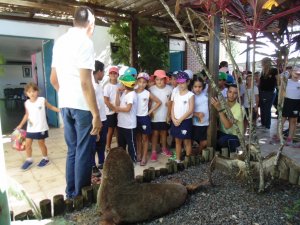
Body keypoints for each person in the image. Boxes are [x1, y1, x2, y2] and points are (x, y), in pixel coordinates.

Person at [50, 6, 102, 199]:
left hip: (65, 104)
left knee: (73, 150)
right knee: (84, 151)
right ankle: (80, 194)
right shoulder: (85, 42)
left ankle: (71, 193)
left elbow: (53, 80)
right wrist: (96, 114)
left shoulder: (60, 42)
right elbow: (85, 82)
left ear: (74, 21)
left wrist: (65, 96)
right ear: (91, 24)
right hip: (82, 107)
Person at [17, 82, 60, 171]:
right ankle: (29, 160)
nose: (32, 93)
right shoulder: (27, 103)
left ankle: (46, 159)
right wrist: (20, 124)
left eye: (33, 91)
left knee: (41, 143)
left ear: (37, 92)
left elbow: (51, 107)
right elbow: (27, 114)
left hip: (41, 127)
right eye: (29, 92)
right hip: (30, 128)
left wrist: (61, 110)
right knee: (28, 144)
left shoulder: (42, 100)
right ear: (26, 94)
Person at [135, 72, 161, 166]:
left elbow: (158, 102)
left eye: (144, 82)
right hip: (135, 118)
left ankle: (144, 156)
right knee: (138, 138)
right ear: (137, 81)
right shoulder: (133, 91)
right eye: (140, 81)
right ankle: (138, 153)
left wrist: (149, 112)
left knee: (145, 138)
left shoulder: (147, 93)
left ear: (147, 83)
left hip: (144, 118)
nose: (142, 84)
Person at [211, 84, 245, 152]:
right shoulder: (222, 103)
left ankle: (230, 154)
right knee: (208, 137)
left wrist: (219, 109)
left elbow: (227, 126)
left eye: (235, 93)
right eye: (230, 92)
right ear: (226, 92)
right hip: (222, 133)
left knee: (222, 141)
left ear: (238, 95)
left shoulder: (240, 108)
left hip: (235, 136)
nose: (232, 95)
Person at [149, 70, 173, 161]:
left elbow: (171, 102)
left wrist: (169, 114)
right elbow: (149, 102)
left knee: (164, 133)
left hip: (165, 115)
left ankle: (164, 148)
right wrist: (149, 112)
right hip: (155, 116)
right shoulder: (151, 89)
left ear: (165, 79)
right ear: (154, 80)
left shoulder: (170, 89)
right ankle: (154, 151)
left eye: (161, 79)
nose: (159, 81)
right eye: (157, 79)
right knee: (155, 134)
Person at [171, 71, 194, 163]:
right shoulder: (176, 94)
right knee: (177, 141)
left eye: (183, 82)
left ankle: (188, 160)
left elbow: (191, 110)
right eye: (179, 82)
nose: (181, 85)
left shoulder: (190, 95)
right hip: (175, 121)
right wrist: (173, 118)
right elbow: (172, 107)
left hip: (185, 121)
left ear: (188, 82)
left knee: (187, 142)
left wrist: (180, 120)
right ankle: (178, 159)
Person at [115, 74, 138, 162]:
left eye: (122, 84)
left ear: (125, 84)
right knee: (121, 145)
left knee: (131, 144)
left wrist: (116, 108)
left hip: (129, 125)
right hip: (121, 123)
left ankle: (133, 160)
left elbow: (128, 108)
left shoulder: (131, 94)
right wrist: (117, 93)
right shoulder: (125, 93)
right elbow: (117, 104)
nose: (121, 85)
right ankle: (123, 161)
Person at [275, 69, 300, 147]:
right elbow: (278, 77)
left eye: (299, 74)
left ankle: (290, 138)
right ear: (292, 73)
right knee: (282, 120)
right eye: (296, 73)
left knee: (293, 121)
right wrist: (286, 71)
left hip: (296, 103)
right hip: (286, 102)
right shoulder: (286, 81)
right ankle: (279, 137)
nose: (297, 75)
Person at [92, 60, 108, 176]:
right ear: (99, 71)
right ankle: (93, 166)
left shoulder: (98, 84)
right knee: (93, 144)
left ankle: (102, 162)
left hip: (103, 117)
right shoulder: (92, 85)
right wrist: (96, 122)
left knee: (102, 143)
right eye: (103, 71)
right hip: (97, 119)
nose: (103, 74)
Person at [259, 57, 278, 130]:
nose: (262, 64)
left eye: (263, 62)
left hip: (270, 92)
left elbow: (278, 79)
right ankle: (263, 123)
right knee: (262, 108)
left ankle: (267, 125)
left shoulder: (273, 70)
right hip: (262, 91)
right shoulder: (262, 71)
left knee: (267, 108)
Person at [103, 66, 119, 152]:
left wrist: (118, 109)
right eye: (111, 73)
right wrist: (113, 109)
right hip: (110, 112)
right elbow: (106, 100)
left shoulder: (120, 85)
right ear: (109, 75)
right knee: (110, 129)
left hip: (119, 111)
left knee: (118, 129)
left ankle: (119, 145)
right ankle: (108, 146)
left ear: (118, 75)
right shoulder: (107, 87)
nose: (113, 74)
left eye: (115, 73)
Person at [191, 77, 209, 153]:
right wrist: (196, 114)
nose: (197, 89)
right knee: (191, 139)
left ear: (203, 87)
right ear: (192, 87)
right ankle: (191, 153)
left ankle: (199, 153)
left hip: (205, 123)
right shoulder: (190, 96)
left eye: (200, 87)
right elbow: (187, 110)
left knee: (203, 141)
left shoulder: (206, 95)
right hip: (194, 122)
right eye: (195, 87)